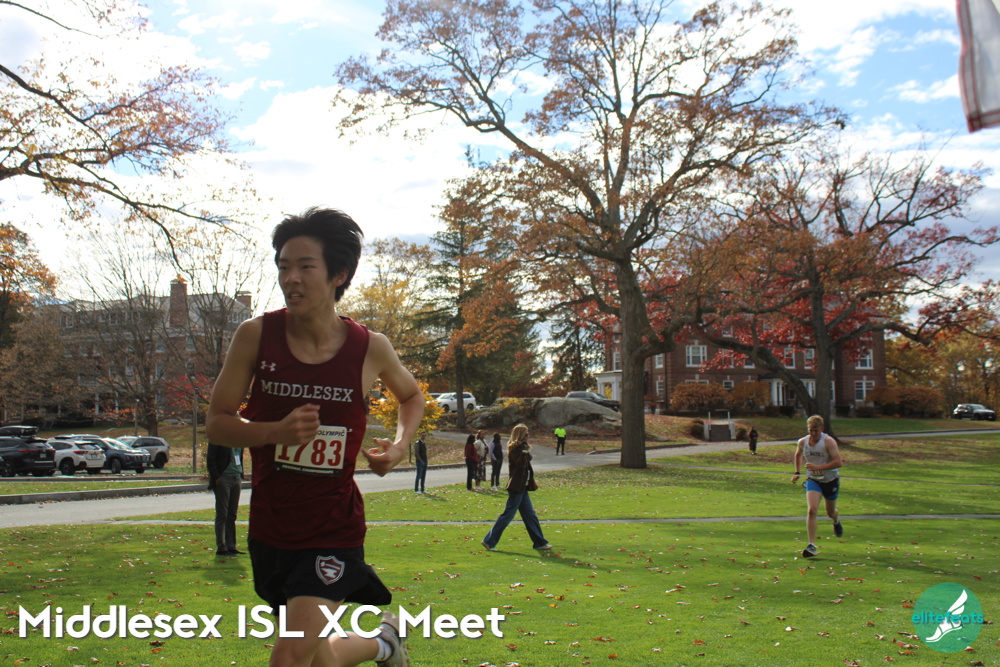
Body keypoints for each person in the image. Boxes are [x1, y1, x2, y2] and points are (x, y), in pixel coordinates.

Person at [206, 207, 423, 667]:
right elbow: (218, 422)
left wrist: (400, 446)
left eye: (306, 266)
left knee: (288, 658)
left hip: (333, 528)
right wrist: (274, 432)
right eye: (284, 266)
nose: (291, 279)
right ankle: (385, 643)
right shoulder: (255, 336)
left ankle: (385, 642)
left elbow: (410, 396)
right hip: (271, 527)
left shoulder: (370, 348)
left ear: (338, 274)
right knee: (320, 657)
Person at [481, 424, 552, 552]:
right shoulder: (515, 448)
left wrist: (525, 450)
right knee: (508, 515)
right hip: (516, 487)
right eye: (526, 434)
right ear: (521, 435)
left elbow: (527, 461)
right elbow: (519, 464)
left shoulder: (522, 448)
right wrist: (523, 450)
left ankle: (539, 542)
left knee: (530, 515)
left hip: (522, 486)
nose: (528, 437)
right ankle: (489, 541)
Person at [792, 415, 844, 558]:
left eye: (816, 431)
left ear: (822, 429)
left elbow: (838, 462)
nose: (813, 433)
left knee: (830, 512)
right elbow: (798, 455)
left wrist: (818, 467)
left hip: (830, 480)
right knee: (812, 510)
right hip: (813, 480)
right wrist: (797, 472)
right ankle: (811, 545)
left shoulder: (828, 441)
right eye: (811, 430)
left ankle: (836, 520)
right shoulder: (803, 441)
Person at [207, 442, 245, 556]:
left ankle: (231, 546)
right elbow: (211, 458)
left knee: (232, 515)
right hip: (224, 478)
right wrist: (216, 477)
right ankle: (221, 547)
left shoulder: (239, 440)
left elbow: (240, 457)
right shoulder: (218, 438)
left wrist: (241, 474)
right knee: (222, 514)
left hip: (236, 477)